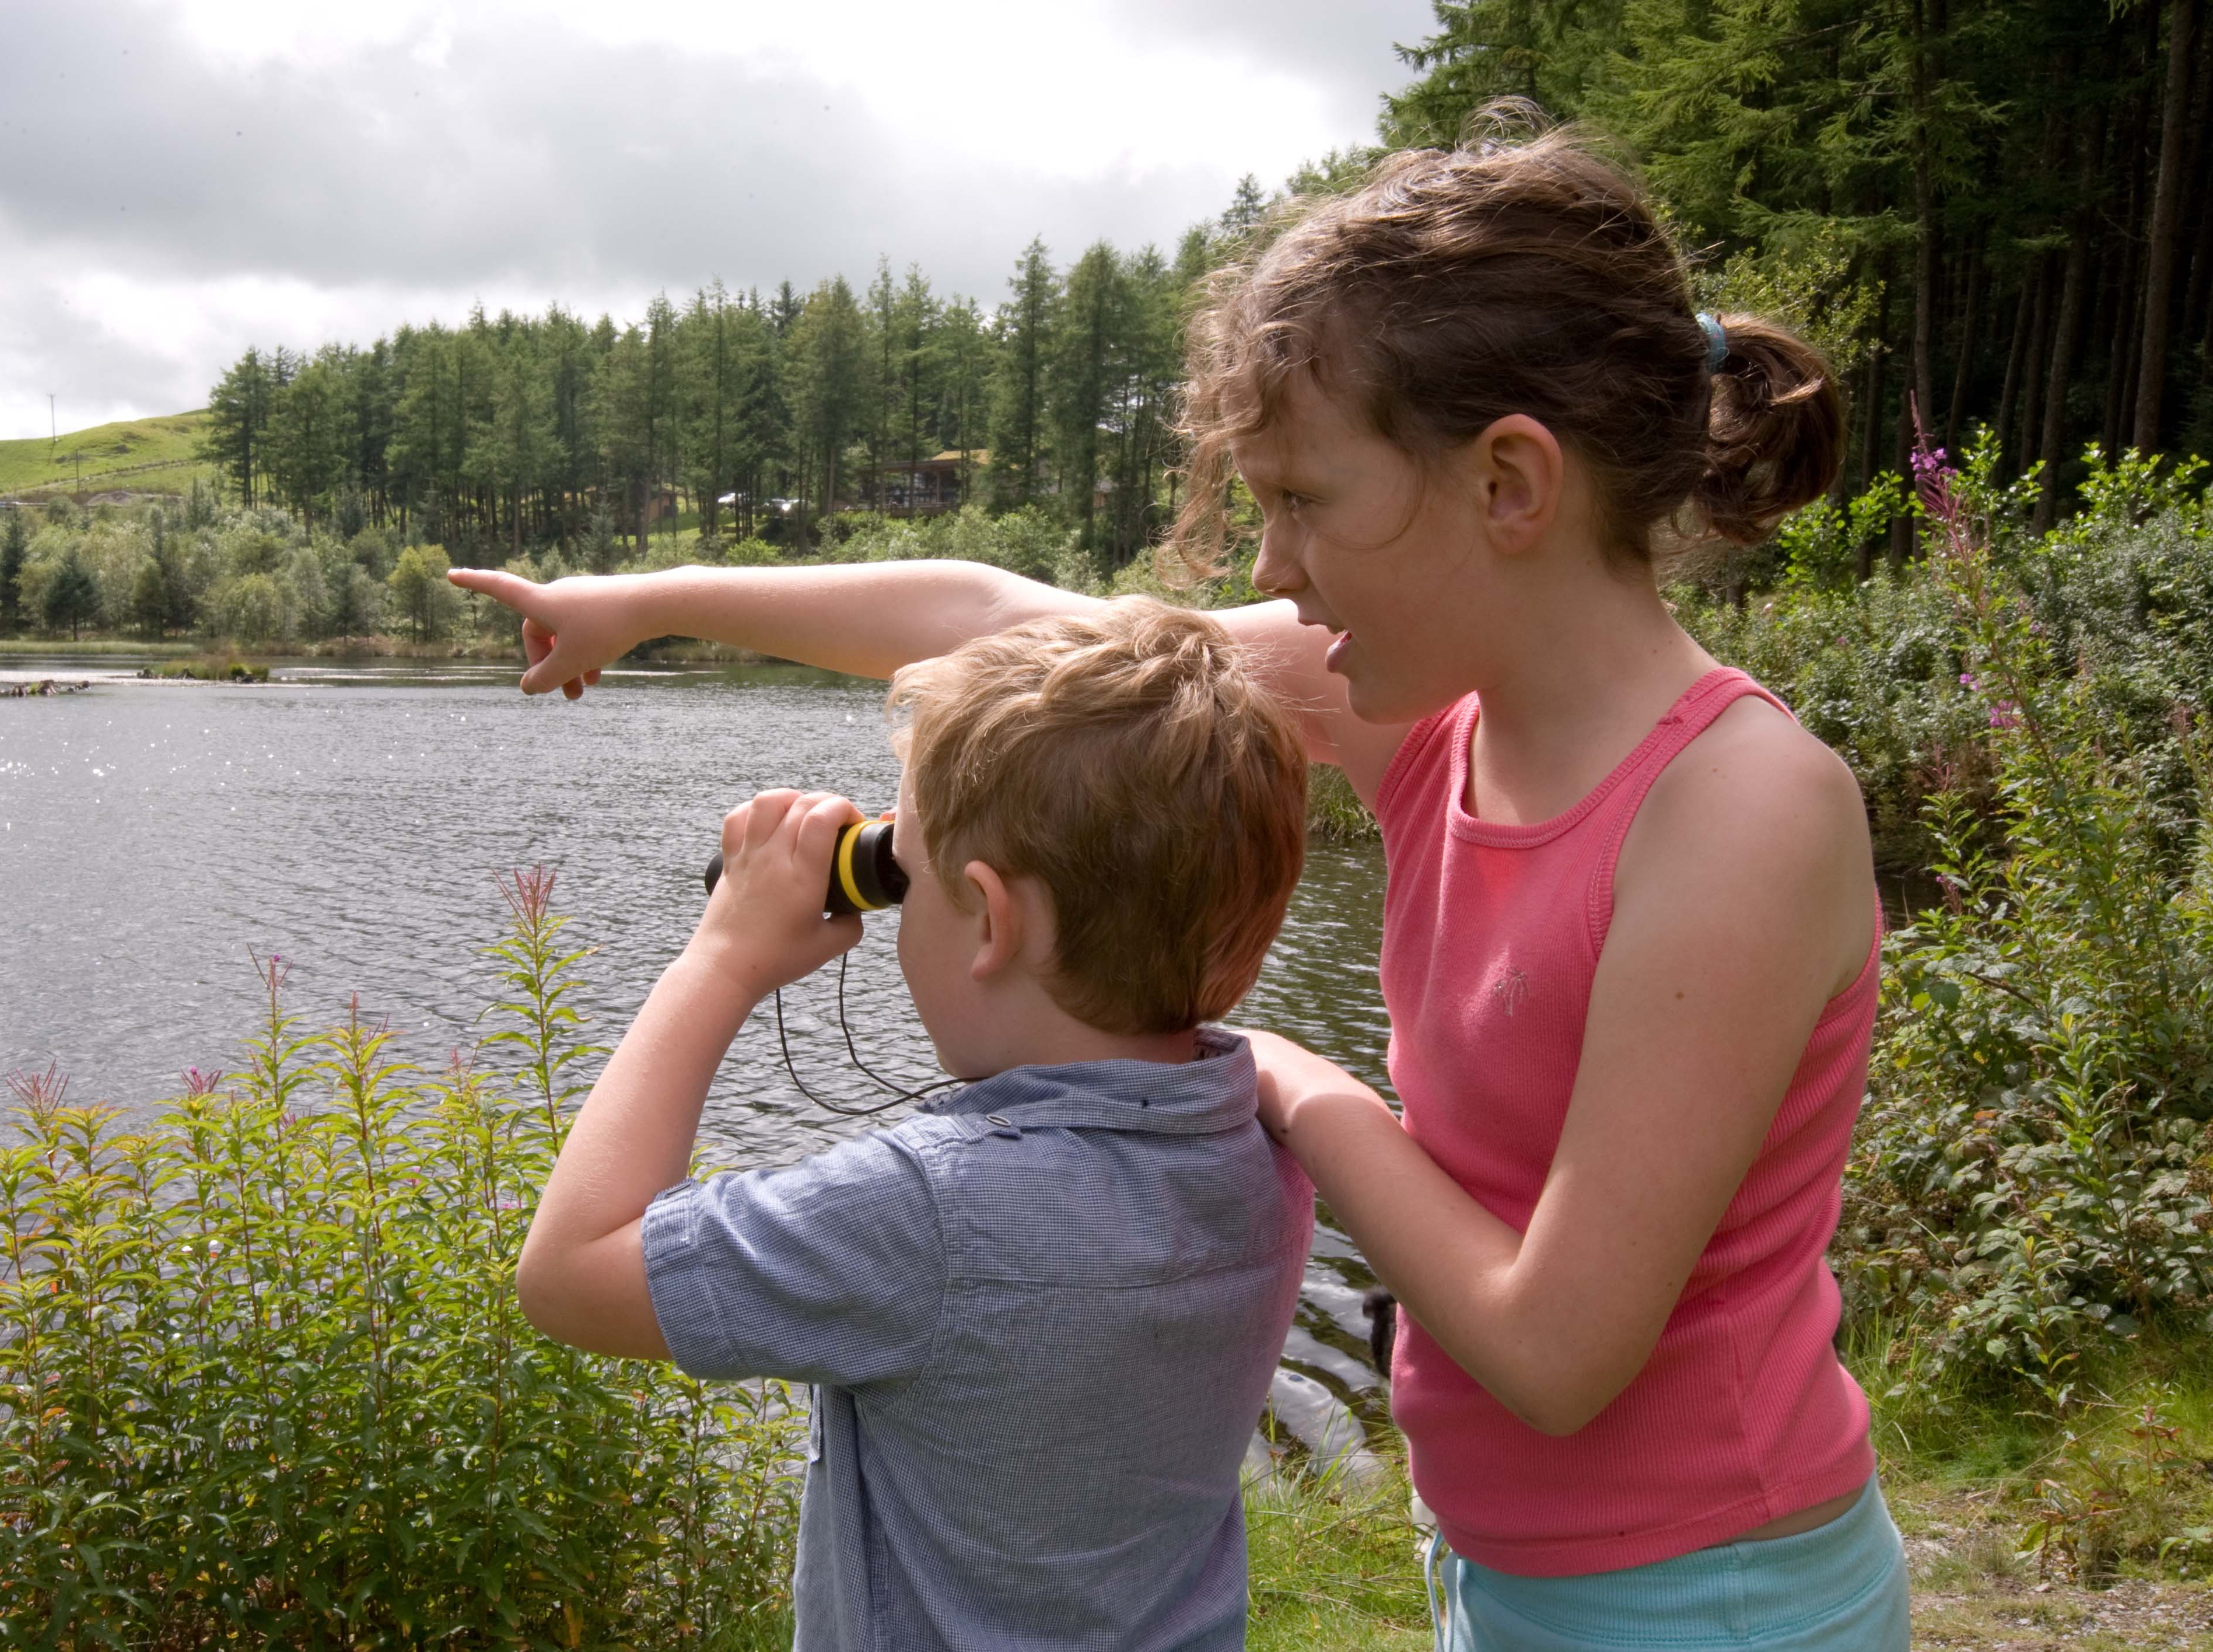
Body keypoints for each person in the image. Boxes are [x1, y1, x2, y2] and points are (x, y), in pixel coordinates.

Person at [463, 117, 1911, 1649]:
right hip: (1509, 1567)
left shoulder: (1738, 812)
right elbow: (997, 623)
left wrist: (1285, 1073)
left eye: (1304, 499)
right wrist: (639, 605)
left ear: (1508, 484)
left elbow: (1556, 1350)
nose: (1275, 565)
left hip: (1711, 1599)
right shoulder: (1437, 713)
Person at [511, 600, 1317, 1651]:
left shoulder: (932, 1215)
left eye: (909, 874)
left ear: (993, 918)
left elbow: (569, 1273)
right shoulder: (1253, 1143)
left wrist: (722, 959)